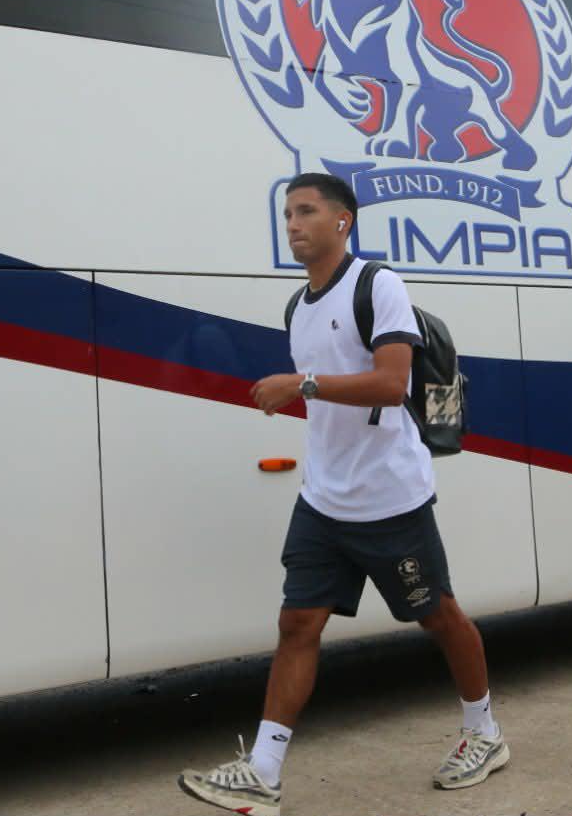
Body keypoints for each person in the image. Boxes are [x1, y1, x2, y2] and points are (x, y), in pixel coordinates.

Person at [178, 173, 508, 816]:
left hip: (390, 500)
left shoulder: (377, 285)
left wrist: (299, 386)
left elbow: (390, 384)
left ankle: (484, 732)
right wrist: (305, 396)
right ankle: (263, 771)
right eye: (287, 214)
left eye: (306, 212)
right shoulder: (296, 305)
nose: (293, 224)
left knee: (438, 616)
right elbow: (334, 400)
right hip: (324, 498)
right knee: (297, 622)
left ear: (342, 221)